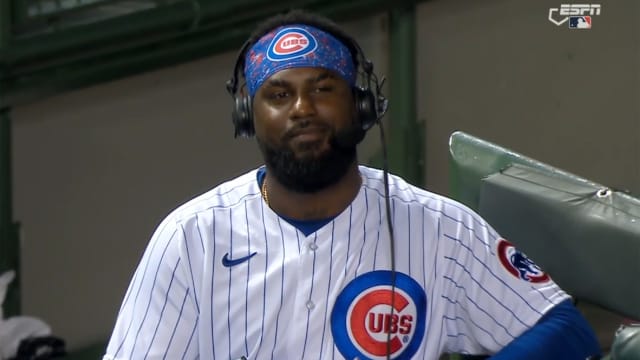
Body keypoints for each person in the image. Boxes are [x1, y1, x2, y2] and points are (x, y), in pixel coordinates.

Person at [103, 9, 601, 360]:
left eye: (323, 88)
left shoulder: (439, 228)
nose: (302, 109)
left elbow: (563, 329)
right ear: (247, 116)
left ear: (362, 105)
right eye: (279, 94)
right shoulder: (192, 238)